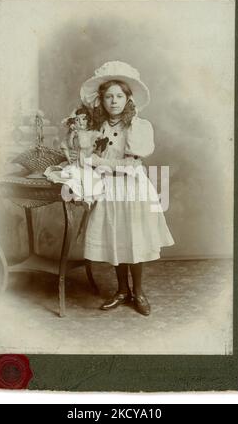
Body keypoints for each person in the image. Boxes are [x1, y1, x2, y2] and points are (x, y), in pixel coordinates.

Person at [71, 61, 175, 315]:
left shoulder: (138, 127)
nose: (114, 101)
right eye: (108, 96)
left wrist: (97, 161)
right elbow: (86, 157)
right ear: (102, 100)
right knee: (116, 237)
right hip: (108, 189)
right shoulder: (97, 127)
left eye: (119, 96)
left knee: (133, 237)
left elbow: (129, 165)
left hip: (132, 189)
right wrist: (86, 154)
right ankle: (121, 290)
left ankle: (137, 292)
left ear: (128, 99)